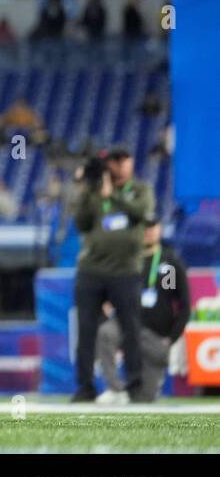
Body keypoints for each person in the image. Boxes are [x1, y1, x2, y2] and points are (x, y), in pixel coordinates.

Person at [71, 146, 155, 402]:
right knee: (85, 330)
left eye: (121, 160)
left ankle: (135, 385)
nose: (117, 165)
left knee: (130, 328)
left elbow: (141, 212)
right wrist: (86, 189)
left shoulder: (141, 190)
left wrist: (113, 196)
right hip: (91, 271)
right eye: (112, 161)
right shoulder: (95, 193)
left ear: (130, 163)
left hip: (125, 271)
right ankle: (85, 387)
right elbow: (81, 223)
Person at [95, 219, 189, 404]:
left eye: (152, 227)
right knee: (106, 332)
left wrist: (171, 337)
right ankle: (115, 388)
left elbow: (184, 304)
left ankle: (149, 384)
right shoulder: (127, 261)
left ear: (160, 229)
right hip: (127, 325)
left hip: (153, 334)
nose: (148, 231)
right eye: (144, 227)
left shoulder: (168, 263)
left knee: (144, 398)